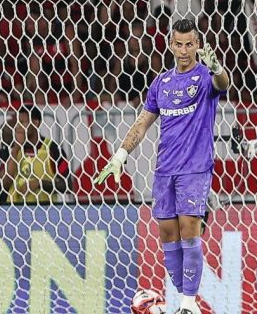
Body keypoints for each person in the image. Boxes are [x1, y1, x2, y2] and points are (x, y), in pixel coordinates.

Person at [95, 19, 230, 314]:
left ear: (197, 45)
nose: (184, 51)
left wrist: (217, 68)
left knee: (189, 229)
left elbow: (223, 84)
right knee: (168, 235)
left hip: (195, 167)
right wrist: (120, 155)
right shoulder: (161, 83)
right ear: (171, 45)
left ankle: (189, 303)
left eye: (189, 44)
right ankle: (184, 301)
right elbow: (143, 123)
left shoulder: (205, 77)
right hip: (165, 169)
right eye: (178, 44)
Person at [2, 105, 70, 204]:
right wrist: (16, 149)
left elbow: (66, 185)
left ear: (35, 123)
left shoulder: (53, 149)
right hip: (15, 210)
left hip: (44, 210)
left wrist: (40, 184)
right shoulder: (12, 149)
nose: (18, 127)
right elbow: (5, 184)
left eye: (22, 122)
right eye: (17, 123)